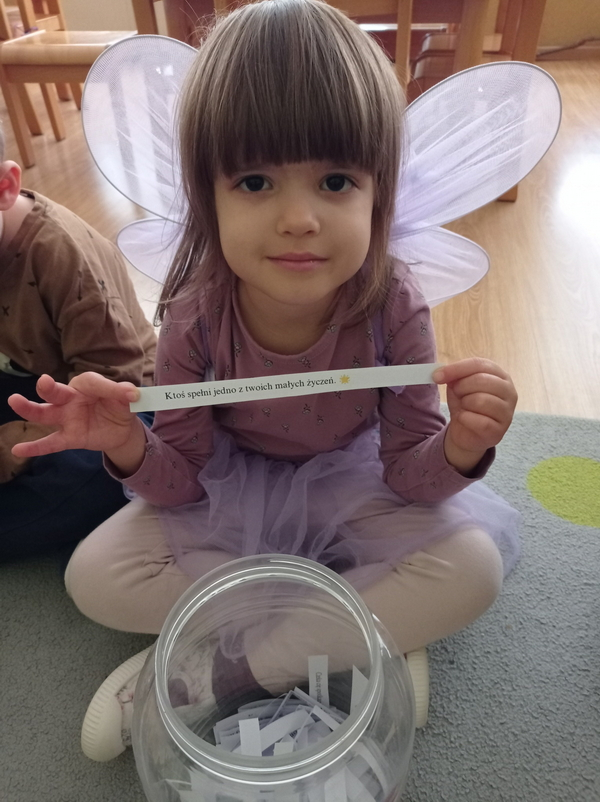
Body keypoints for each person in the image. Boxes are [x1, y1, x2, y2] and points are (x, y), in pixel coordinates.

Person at [9, 0, 519, 762]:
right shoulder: (193, 314)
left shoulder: (394, 302)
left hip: (354, 481)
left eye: (336, 180)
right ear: (206, 197)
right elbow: (180, 482)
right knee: (93, 577)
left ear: (380, 193)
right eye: (254, 181)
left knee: (473, 570)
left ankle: (225, 670)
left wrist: (463, 447)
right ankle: (360, 630)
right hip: (232, 487)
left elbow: (412, 480)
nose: (298, 219)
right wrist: (126, 445)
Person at [0, 127, 157, 562]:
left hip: (119, 398)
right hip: (35, 377)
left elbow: (111, 389)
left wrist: (23, 436)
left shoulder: (59, 254)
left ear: (5, 188)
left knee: (95, 479)